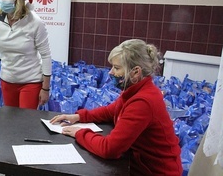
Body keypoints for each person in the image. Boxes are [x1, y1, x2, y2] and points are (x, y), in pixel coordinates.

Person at [50, 39, 183, 175]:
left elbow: (110, 149)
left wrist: (80, 133)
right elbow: (111, 111)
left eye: (117, 68)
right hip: (138, 165)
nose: (110, 72)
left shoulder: (143, 101)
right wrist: (78, 116)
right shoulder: (135, 91)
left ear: (135, 72)